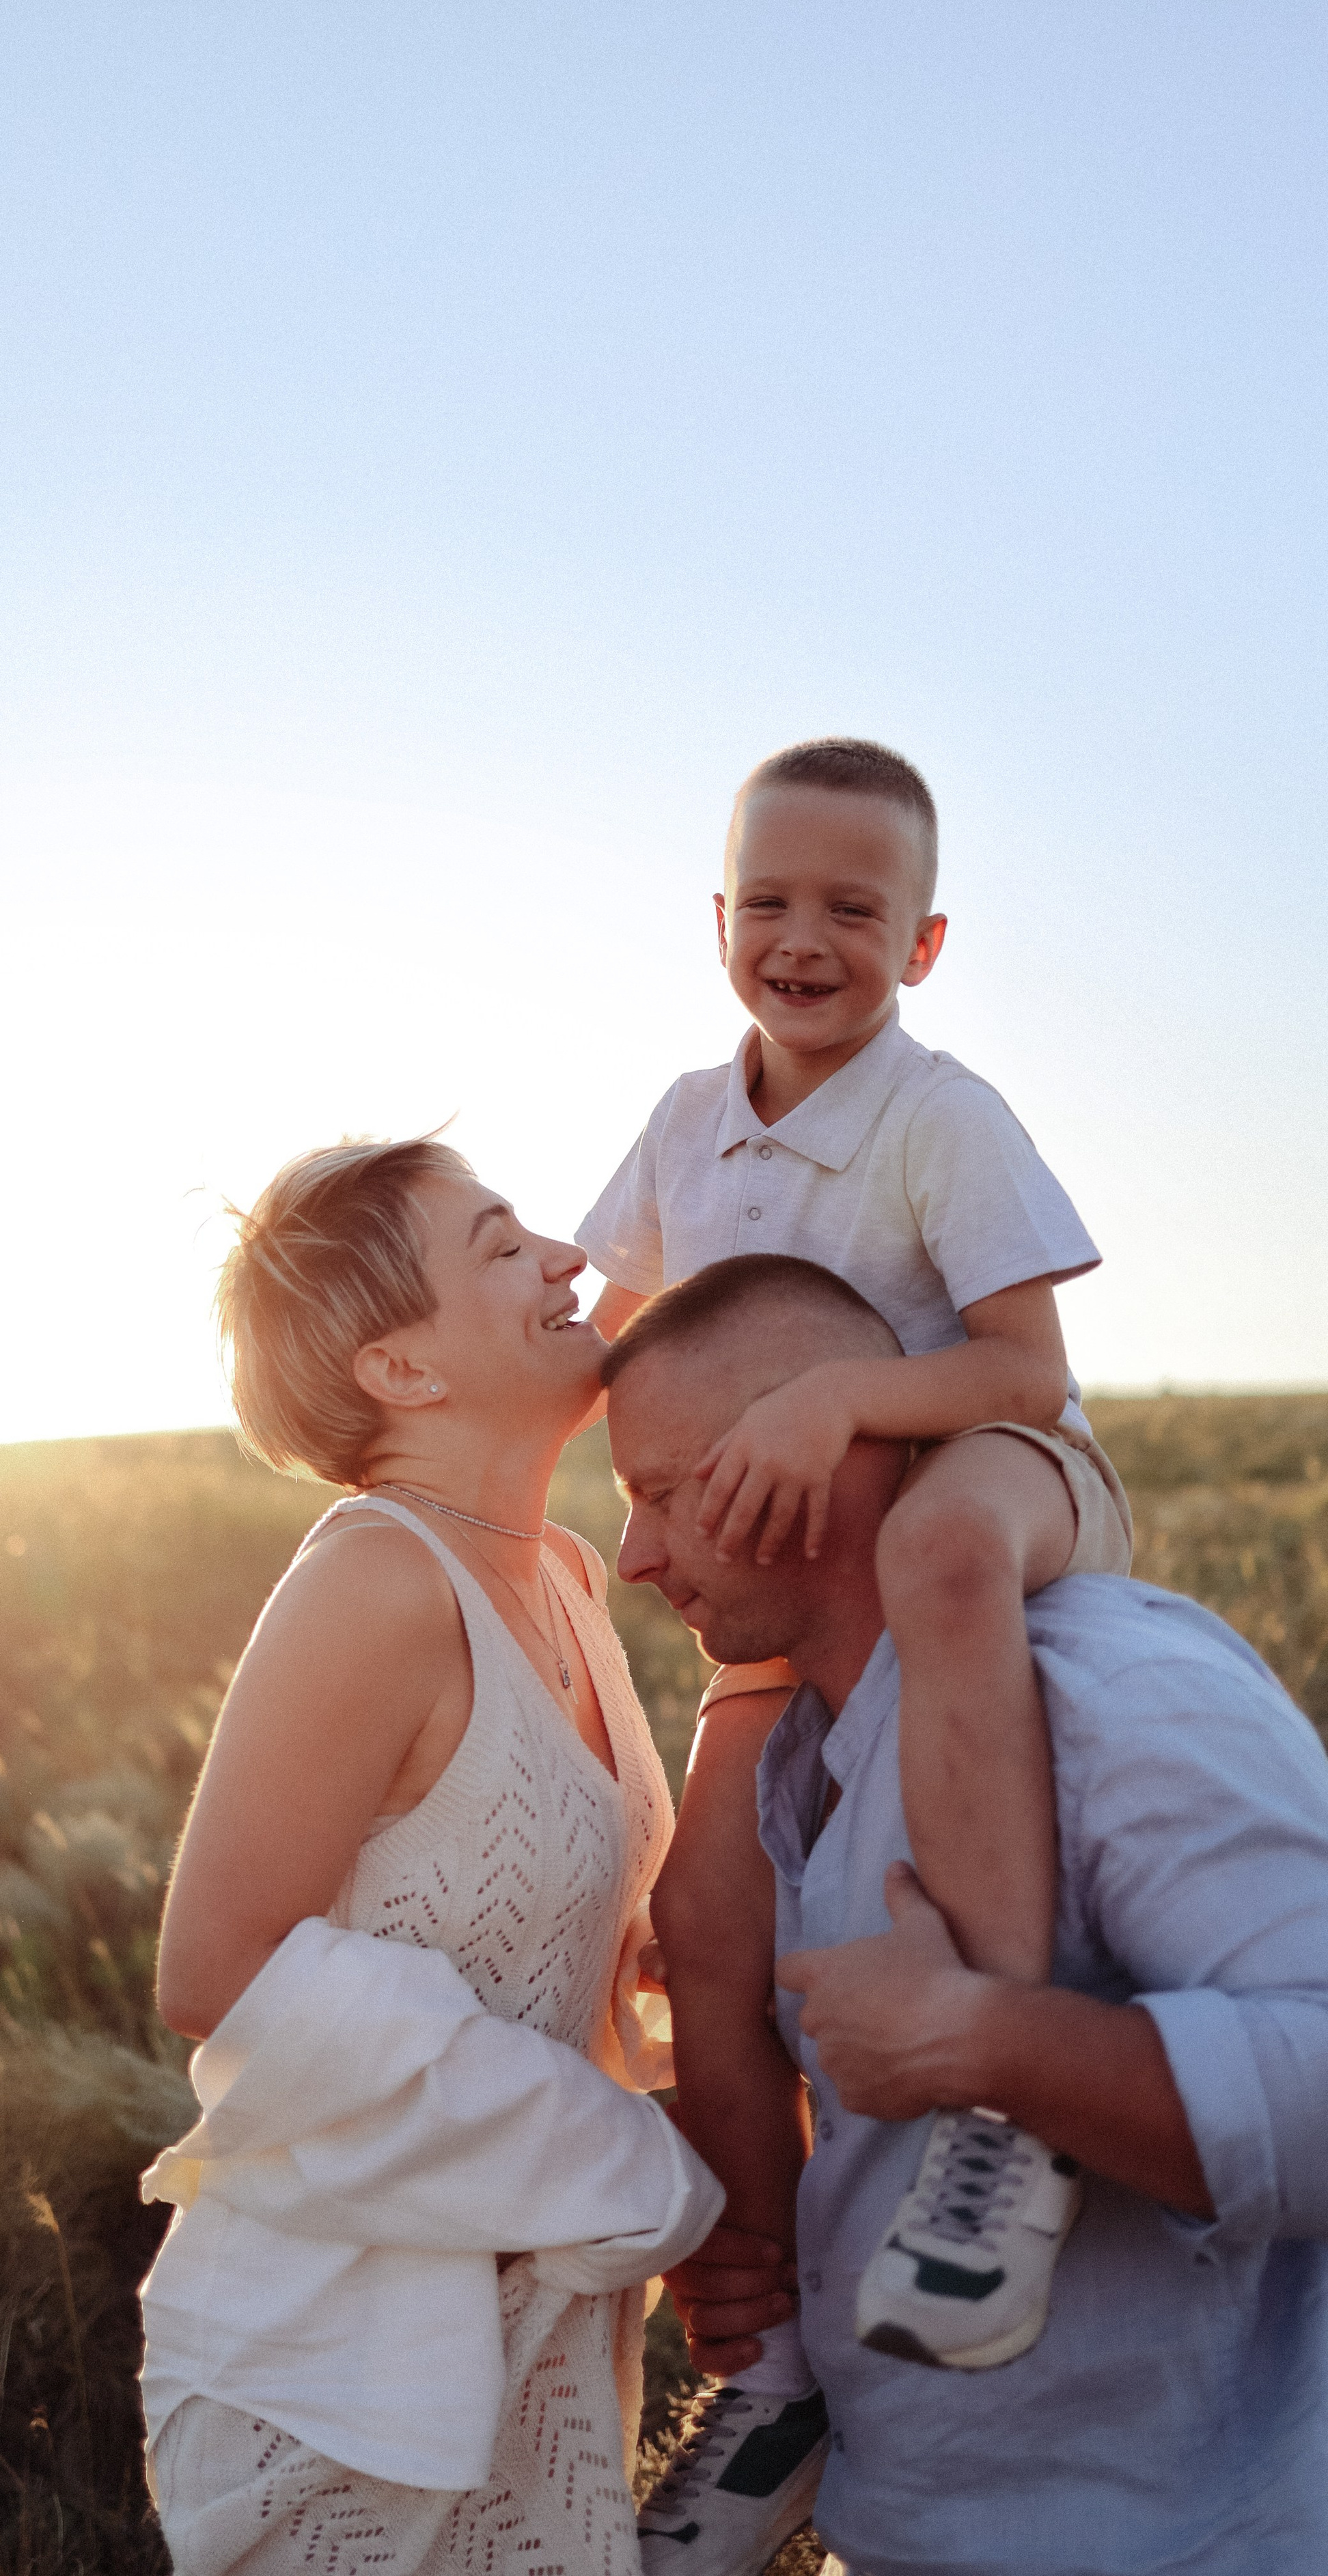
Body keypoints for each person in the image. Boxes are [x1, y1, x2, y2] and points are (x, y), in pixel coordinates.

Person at [579, 740, 1133, 2508]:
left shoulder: (936, 1115)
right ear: (716, 917)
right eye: (768, 902)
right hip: (798, 1573)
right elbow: (619, 1335)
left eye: (853, 909)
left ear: (928, 942)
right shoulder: (688, 1118)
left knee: (941, 1558)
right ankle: (772, 2360)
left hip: (992, 1476)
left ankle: (1004, 2107)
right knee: (704, 1920)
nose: (802, 939)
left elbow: (1027, 1369)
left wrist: (840, 1409)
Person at [607, 1251, 1328, 2576]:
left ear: (814, 1462)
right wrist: (768, 2261)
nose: (633, 1555)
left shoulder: (1110, 1692)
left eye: (659, 1494)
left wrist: (986, 2045)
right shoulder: (794, 1770)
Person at [137, 1134, 739, 2576]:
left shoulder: (567, 1575)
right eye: (497, 1245)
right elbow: (219, 1971)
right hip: (345, 2378)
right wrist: (647, 2172)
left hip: (537, 2338)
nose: (568, 1257)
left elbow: (523, 1932)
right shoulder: (375, 1576)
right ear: (398, 1372)